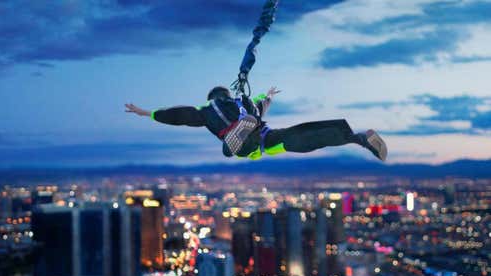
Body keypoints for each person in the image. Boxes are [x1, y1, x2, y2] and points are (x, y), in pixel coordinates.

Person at [124, 86, 387, 161]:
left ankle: (237, 135)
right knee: (304, 139)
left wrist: (148, 113)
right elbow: (261, 105)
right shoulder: (241, 102)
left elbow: (178, 115)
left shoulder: (205, 111)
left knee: (230, 150)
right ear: (226, 94)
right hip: (265, 135)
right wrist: (267, 97)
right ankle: (358, 138)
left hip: (246, 143)